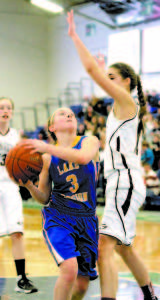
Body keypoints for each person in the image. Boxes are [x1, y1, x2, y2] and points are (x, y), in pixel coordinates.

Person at [67, 10, 158, 300]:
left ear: (127, 81)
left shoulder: (126, 101)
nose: (106, 82)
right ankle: (150, 295)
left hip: (126, 182)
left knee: (105, 245)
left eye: (112, 78)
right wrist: (104, 69)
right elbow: (99, 77)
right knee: (122, 247)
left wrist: (74, 36)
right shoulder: (122, 105)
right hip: (121, 182)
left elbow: (92, 72)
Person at [17, 107, 100, 300]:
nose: (69, 114)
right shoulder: (47, 158)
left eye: (71, 113)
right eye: (62, 114)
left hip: (87, 219)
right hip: (59, 217)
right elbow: (44, 198)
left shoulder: (89, 141)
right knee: (69, 268)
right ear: (52, 127)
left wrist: (46, 147)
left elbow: (82, 158)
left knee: (81, 284)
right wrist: (29, 185)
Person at [0, 97, 38, 294]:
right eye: (1, 107)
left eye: (8, 108)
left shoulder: (16, 136)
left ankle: (21, 279)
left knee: (17, 232)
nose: (5, 111)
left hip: (10, 185)